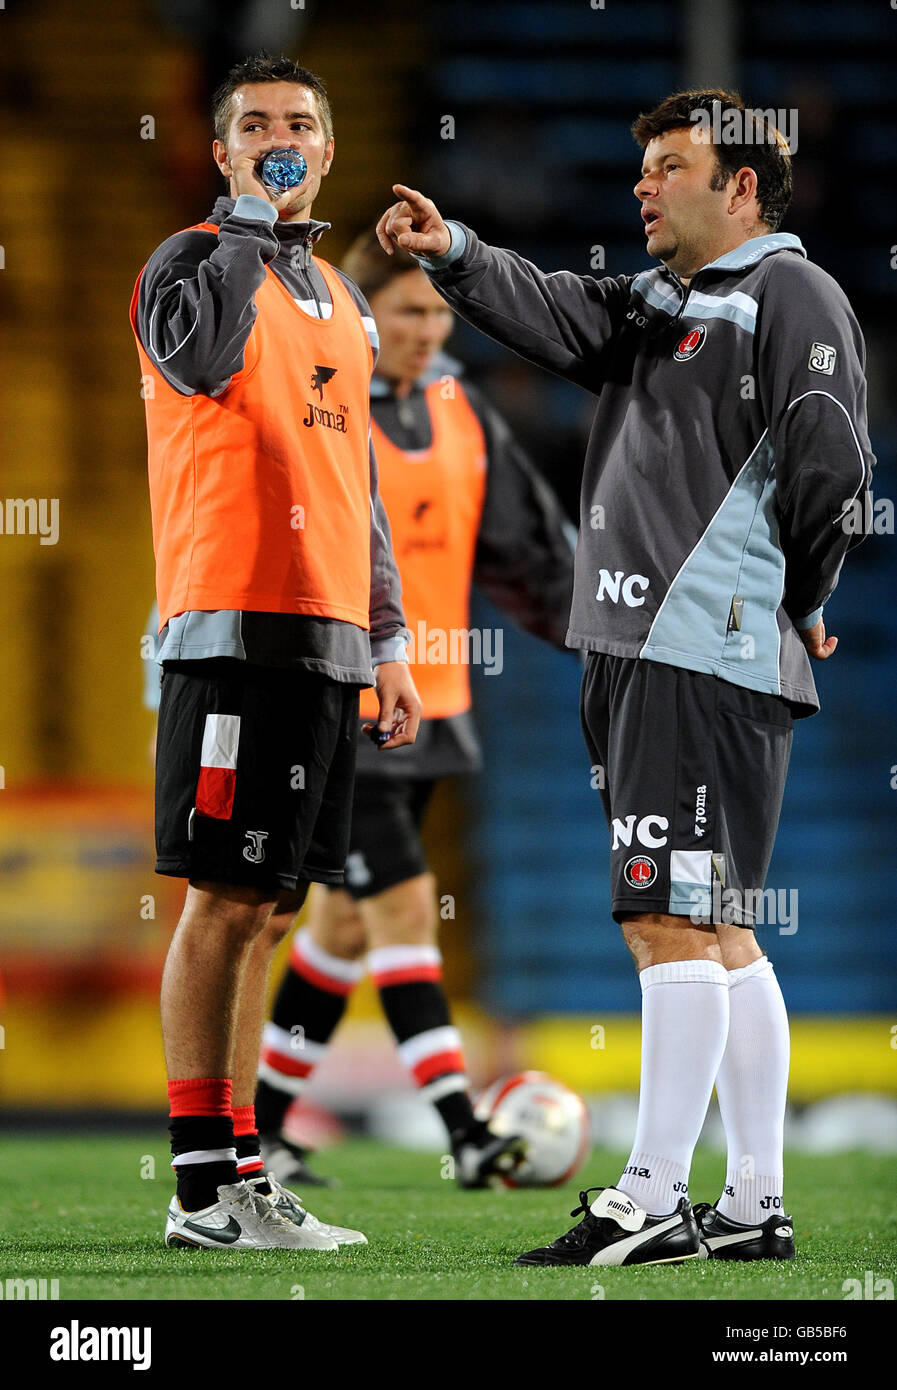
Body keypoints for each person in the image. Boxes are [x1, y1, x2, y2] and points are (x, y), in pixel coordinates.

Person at [377, 88, 874, 1266]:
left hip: (697, 648)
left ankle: (652, 1191)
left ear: (741, 185)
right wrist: (454, 250)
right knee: (723, 931)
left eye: (670, 165)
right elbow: (554, 311)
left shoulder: (788, 298)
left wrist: (797, 599)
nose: (642, 184)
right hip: (642, 650)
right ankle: (753, 1202)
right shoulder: (662, 304)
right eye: (641, 164)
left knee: (667, 917)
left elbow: (831, 472)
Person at [130, 52, 421, 1251]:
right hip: (231, 620)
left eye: (299, 123)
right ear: (222, 150)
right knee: (222, 896)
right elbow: (196, 363)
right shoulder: (189, 262)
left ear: (333, 148)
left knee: (266, 909)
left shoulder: (347, 303)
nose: (280, 136)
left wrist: (391, 636)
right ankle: (203, 1187)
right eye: (255, 125)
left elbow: (357, 483)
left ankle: (243, 1169)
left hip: (329, 635)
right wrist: (247, 219)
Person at [253, 229, 576, 1189]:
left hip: (437, 707)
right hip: (346, 707)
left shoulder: (462, 410)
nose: (429, 328)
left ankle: (263, 1131)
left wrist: (608, 635)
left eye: (440, 310)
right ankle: (465, 1132)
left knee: (344, 932)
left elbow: (533, 550)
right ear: (362, 312)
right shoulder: (322, 405)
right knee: (398, 912)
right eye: (407, 310)